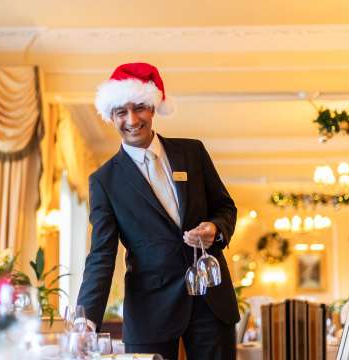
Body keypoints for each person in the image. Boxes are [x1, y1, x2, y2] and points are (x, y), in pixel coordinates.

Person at [77, 62, 239, 360]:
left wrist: (215, 229)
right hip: (150, 306)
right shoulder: (104, 181)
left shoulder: (192, 152)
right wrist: (85, 319)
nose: (132, 119)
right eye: (121, 112)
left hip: (210, 299)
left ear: (153, 108)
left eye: (139, 108)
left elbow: (225, 207)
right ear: (111, 117)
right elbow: (101, 253)